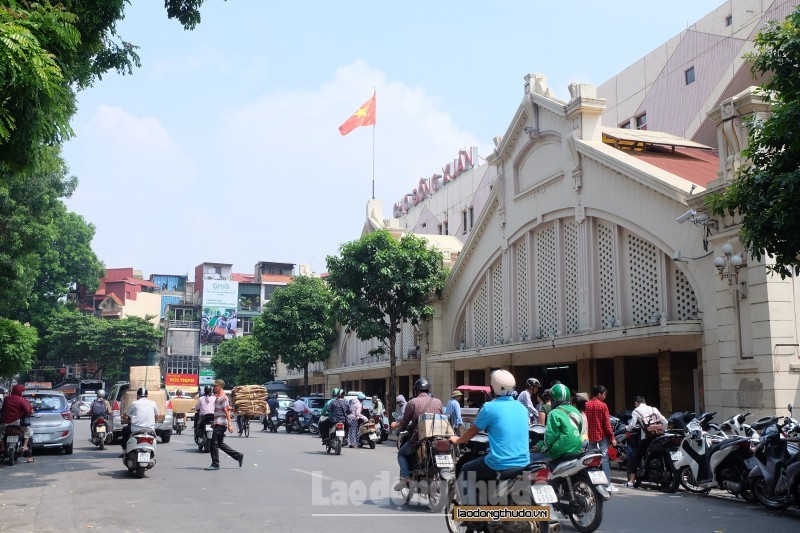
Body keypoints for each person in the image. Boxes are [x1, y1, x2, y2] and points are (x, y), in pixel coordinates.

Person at [449, 370, 530, 506]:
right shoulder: (522, 408)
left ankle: (471, 512)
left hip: (499, 463)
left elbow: (472, 431)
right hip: (525, 462)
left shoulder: (489, 407)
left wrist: (457, 440)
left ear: (493, 389)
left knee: (466, 469)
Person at [392, 378, 443, 490]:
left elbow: (404, 422)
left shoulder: (412, 402)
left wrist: (396, 425)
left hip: (419, 439)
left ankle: (406, 478)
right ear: (428, 390)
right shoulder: (438, 401)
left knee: (401, 453)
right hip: (438, 437)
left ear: (416, 390)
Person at [530, 384, 583, 462]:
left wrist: (539, 447)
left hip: (559, 453)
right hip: (576, 451)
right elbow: (579, 430)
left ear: (554, 399)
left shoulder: (554, 413)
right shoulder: (576, 411)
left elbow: (550, 437)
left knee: (530, 458)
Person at [626, 395, 668, 487]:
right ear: (644, 402)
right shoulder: (653, 409)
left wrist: (627, 429)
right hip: (658, 437)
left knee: (637, 457)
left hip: (646, 438)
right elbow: (665, 422)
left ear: (636, 403)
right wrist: (662, 430)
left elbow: (632, 425)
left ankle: (631, 480)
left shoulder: (636, 411)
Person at [585, 385, 618, 492]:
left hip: (590, 437)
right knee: (604, 459)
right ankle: (607, 483)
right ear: (599, 394)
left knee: (590, 460)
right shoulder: (603, 406)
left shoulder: (586, 405)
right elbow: (607, 424)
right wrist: (612, 437)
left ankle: (590, 482)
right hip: (602, 436)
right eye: (604, 394)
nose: (605, 397)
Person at [206, 379, 244, 470]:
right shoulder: (218, 397)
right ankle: (238, 456)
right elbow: (218, 412)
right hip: (218, 423)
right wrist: (214, 423)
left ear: (220, 386)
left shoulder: (224, 397)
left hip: (221, 424)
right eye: (213, 386)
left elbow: (226, 411)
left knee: (213, 443)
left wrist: (229, 425)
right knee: (220, 444)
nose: (214, 388)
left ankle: (215, 464)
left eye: (215, 386)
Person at [0, 384, 34, 462]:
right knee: (29, 432)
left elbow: (2, 409)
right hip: (17, 422)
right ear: (19, 392)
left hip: (5, 422)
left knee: (1, 433)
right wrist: (25, 416)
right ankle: (26, 448)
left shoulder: (6, 399)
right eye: (22, 391)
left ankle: (2, 446)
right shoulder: (21, 400)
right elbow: (28, 410)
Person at [121, 388, 159, 456]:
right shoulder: (153, 403)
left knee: (125, 430)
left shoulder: (134, 403)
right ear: (147, 395)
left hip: (135, 430)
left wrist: (124, 417)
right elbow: (157, 416)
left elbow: (125, 415)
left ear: (137, 395)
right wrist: (155, 420)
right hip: (150, 430)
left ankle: (125, 450)